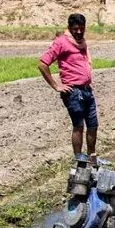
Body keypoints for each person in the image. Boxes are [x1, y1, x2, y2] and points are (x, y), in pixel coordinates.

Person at [38, 13, 98, 162]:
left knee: (93, 125)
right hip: (73, 92)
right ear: (69, 28)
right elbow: (42, 64)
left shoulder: (82, 43)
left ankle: (92, 158)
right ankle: (79, 159)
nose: (78, 32)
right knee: (78, 126)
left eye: (81, 29)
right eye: (75, 29)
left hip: (86, 90)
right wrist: (56, 85)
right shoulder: (61, 42)